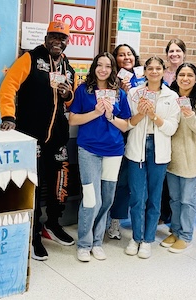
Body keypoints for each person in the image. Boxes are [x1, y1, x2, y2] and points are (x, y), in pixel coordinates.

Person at [0, 21, 76, 261]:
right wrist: (8, 116)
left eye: (62, 38)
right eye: (54, 36)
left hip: (59, 138)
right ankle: (31, 235)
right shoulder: (30, 58)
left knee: (58, 185)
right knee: (33, 185)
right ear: (46, 37)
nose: (57, 41)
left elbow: (71, 101)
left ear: (67, 41)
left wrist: (68, 94)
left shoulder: (68, 66)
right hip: (32, 136)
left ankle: (52, 224)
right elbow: (9, 86)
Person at [69, 52, 130, 262]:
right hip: (89, 150)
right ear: (94, 67)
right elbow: (72, 119)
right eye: (99, 65)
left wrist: (110, 116)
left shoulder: (119, 94)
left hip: (113, 151)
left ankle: (97, 241)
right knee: (90, 198)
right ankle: (84, 244)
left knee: (107, 199)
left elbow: (126, 124)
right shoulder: (83, 91)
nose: (103, 69)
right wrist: (96, 112)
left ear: (113, 69)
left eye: (108, 66)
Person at [124, 56, 180, 259]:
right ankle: (136, 237)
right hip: (136, 148)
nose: (154, 72)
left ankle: (148, 240)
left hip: (159, 150)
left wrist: (154, 115)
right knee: (138, 197)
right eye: (150, 68)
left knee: (155, 198)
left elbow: (172, 128)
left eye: (158, 68)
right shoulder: (134, 93)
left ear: (164, 71)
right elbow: (128, 122)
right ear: (144, 71)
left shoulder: (171, 96)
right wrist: (140, 113)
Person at [160, 63, 196, 253]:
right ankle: (175, 231)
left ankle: (185, 235)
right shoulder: (170, 98)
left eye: (189, 75)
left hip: (191, 161)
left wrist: (191, 117)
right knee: (174, 200)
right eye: (181, 74)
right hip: (171, 159)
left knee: (187, 200)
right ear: (175, 77)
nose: (185, 78)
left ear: (195, 78)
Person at [160, 38, 196, 225]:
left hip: (186, 137)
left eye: (178, 51)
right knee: (166, 183)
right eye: (171, 51)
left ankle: (179, 226)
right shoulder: (162, 75)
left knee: (183, 192)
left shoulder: (194, 80)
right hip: (166, 134)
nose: (174, 54)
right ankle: (165, 216)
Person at [107, 44, 145, 240]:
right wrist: (121, 92)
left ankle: (121, 219)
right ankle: (111, 219)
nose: (126, 58)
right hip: (118, 134)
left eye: (129, 54)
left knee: (131, 181)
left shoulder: (143, 78)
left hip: (139, 134)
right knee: (117, 180)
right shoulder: (110, 79)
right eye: (121, 55)